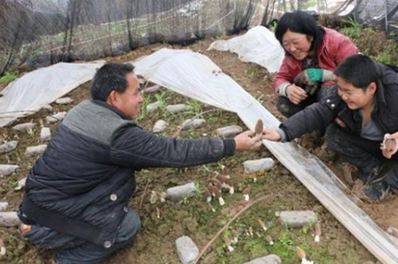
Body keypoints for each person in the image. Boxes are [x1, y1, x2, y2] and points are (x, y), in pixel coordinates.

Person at [17, 63, 262, 264]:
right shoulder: (117, 136)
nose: (141, 99)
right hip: (47, 221)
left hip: (37, 207)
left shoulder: (84, 110)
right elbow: (172, 152)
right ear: (114, 97)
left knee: (120, 182)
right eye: (135, 93)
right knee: (126, 225)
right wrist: (231, 145)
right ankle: (65, 260)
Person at [263, 54, 398, 201]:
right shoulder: (341, 93)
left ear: (371, 88)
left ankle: (391, 185)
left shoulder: (397, 89)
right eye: (340, 89)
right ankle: (373, 168)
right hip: (370, 143)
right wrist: (282, 132)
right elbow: (318, 112)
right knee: (333, 134)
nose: (342, 95)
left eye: (348, 92)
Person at [273, 10, 358, 118]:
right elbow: (280, 78)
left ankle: (336, 126)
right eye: (286, 44)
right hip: (312, 98)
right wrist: (287, 89)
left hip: (337, 99)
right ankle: (311, 127)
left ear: (310, 36)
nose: (292, 49)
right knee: (284, 102)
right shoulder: (290, 55)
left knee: (327, 91)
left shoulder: (336, 42)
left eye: (296, 42)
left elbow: (357, 73)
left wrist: (324, 75)